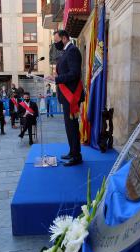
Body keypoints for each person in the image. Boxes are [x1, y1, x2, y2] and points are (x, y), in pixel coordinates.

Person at [46, 30, 84, 166]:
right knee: (69, 126)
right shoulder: (65, 52)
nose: (55, 44)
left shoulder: (72, 51)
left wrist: (56, 79)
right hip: (66, 95)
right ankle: (72, 151)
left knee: (72, 126)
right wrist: (55, 77)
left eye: (56, 41)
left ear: (64, 38)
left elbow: (74, 74)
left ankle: (77, 156)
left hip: (72, 95)